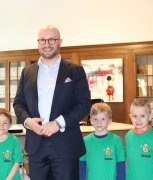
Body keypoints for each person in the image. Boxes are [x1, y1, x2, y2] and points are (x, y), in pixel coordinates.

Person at [13, 25, 91, 179]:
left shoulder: (75, 71)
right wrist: (28, 121)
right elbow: (18, 104)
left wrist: (57, 123)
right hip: (36, 146)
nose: (47, 44)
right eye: (42, 40)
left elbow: (84, 104)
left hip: (66, 145)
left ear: (60, 42)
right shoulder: (27, 71)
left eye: (51, 40)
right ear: (38, 42)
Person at [125, 98, 153, 179]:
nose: (138, 119)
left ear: (150, 116)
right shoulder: (128, 136)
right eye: (135, 116)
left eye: (142, 116)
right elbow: (126, 161)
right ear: (130, 117)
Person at [79, 103, 125, 180]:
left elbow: (120, 166)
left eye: (103, 119)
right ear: (91, 120)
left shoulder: (116, 141)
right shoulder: (85, 141)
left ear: (109, 120)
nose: (99, 122)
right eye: (95, 119)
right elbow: (82, 166)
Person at [0, 108, 23, 180]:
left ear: (10, 125)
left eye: (5, 123)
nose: (1, 126)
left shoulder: (14, 141)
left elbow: (17, 163)